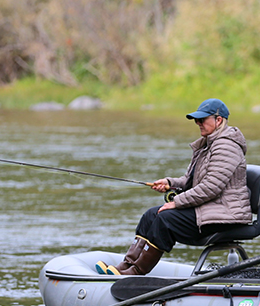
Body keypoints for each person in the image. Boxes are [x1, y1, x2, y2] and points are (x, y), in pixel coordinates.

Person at [96, 98, 251, 276]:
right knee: (150, 216)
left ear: (219, 120)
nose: (198, 123)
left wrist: (176, 202)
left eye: (202, 119)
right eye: (196, 120)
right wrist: (170, 183)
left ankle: (136, 272)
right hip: (208, 208)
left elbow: (210, 188)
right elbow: (191, 180)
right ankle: (126, 265)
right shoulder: (207, 145)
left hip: (225, 215)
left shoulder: (226, 146)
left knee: (165, 219)